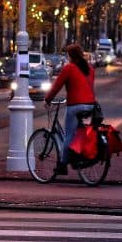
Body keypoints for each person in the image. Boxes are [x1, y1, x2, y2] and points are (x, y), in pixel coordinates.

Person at [43, 43, 97, 175]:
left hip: (75, 106)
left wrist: (48, 99)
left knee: (69, 136)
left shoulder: (69, 68)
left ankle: (62, 165)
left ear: (71, 56)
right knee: (83, 133)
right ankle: (82, 155)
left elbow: (56, 86)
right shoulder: (90, 69)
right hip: (90, 106)